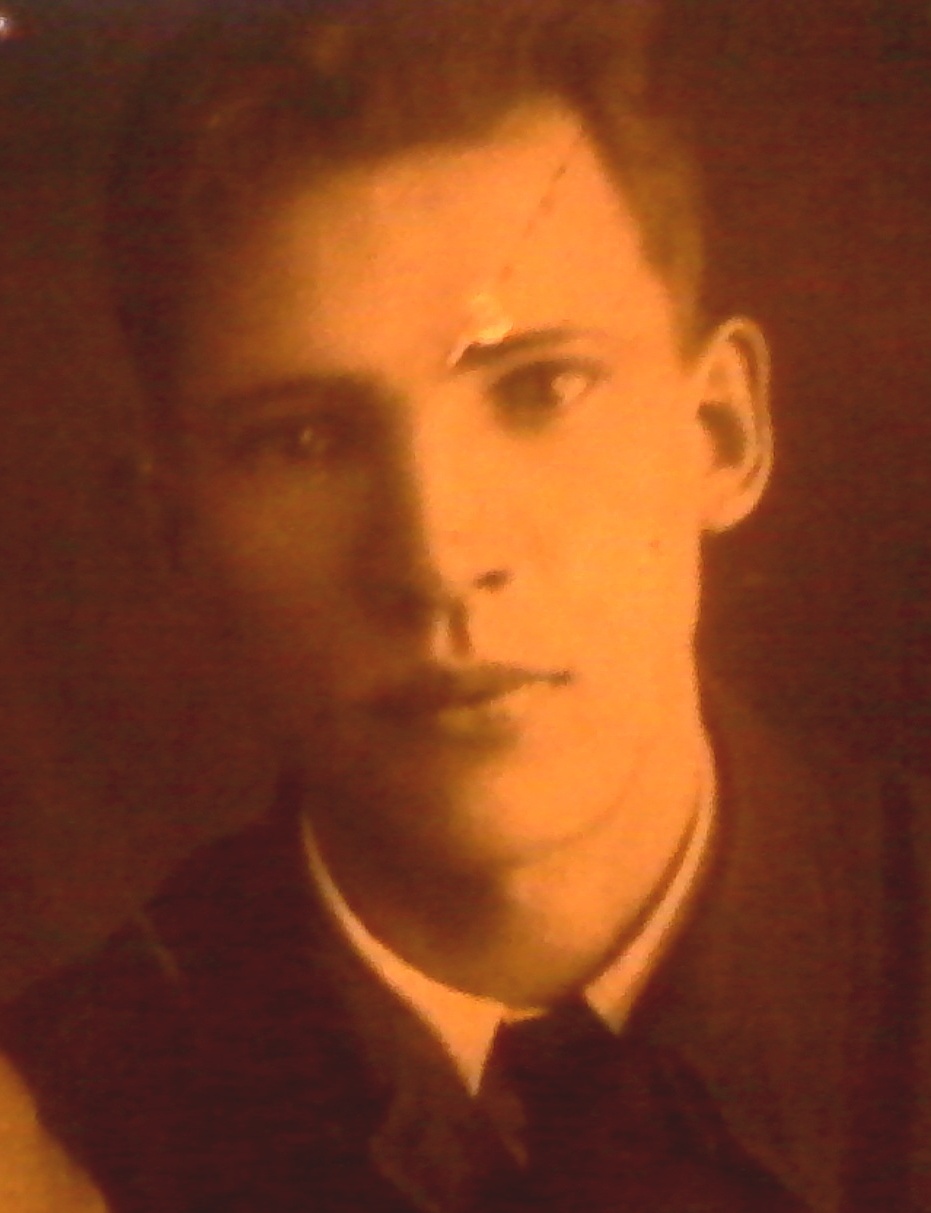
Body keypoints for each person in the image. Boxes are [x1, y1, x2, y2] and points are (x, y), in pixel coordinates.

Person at [1, 1, 925, 1210]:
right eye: (304, 439)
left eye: (541, 389)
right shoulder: (63, 1119)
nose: (437, 556)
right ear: (178, 536)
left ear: (720, 433)